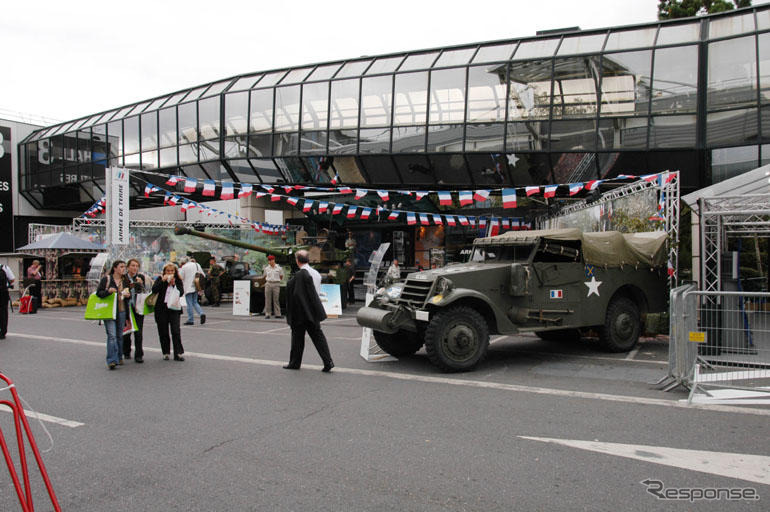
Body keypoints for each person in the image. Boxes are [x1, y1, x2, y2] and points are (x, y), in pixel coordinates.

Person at [283, 250, 334, 372]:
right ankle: (328, 361)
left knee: (297, 338)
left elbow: (296, 294)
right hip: (313, 310)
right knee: (318, 336)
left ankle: (295, 362)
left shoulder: (300, 274)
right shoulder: (316, 273)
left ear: (297, 260)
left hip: (301, 311)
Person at [96, 260, 130, 370]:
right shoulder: (107, 279)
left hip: (122, 310)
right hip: (109, 311)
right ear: (115, 268)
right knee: (112, 336)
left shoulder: (125, 280)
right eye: (121, 267)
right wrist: (108, 292)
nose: (123, 269)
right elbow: (99, 293)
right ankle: (112, 360)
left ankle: (119, 357)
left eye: (124, 267)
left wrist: (128, 294)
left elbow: (128, 294)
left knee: (120, 335)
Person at [152, 263, 185, 361]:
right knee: (163, 331)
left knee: (176, 331)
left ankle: (178, 353)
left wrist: (174, 284)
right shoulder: (160, 279)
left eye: (172, 271)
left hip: (174, 309)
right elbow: (154, 290)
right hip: (161, 309)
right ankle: (166, 352)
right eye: (168, 271)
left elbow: (181, 292)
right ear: (164, 272)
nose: (170, 273)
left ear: (175, 272)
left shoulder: (178, 280)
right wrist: (163, 281)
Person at [122, 258, 147, 363]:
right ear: (128, 267)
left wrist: (140, 284)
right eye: (132, 266)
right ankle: (126, 351)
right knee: (127, 332)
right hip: (126, 307)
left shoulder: (140, 277)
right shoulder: (123, 278)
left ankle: (139, 355)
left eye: (136, 266)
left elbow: (143, 292)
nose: (134, 268)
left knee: (138, 332)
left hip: (137, 307)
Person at [179, 257, 205, 325]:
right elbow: (203, 275)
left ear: (183, 262)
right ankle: (201, 313)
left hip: (188, 287)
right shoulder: (197, 264)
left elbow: (181, 277)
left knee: (189, 303)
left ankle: (191, 319)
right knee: (195, 302)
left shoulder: (184, 267)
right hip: (196, 286)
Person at [262, 255, 284, 319]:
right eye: (269, 260)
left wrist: (276, 280)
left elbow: (281, 276)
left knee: (276, 299)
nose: (270, 262)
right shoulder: (266, 268)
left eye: (271, 260)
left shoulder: (279, 268)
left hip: (276, 283)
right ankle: (268, 313)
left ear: (274, 260)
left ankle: (278, 314)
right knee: (267, 299)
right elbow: (265, 276)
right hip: (268, 283)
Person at [0, 262, 16, 340]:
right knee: (3, 312)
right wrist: (6, 284)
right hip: (3, 293)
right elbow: (12, 279)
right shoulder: (4, 267)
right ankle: (2, 332)